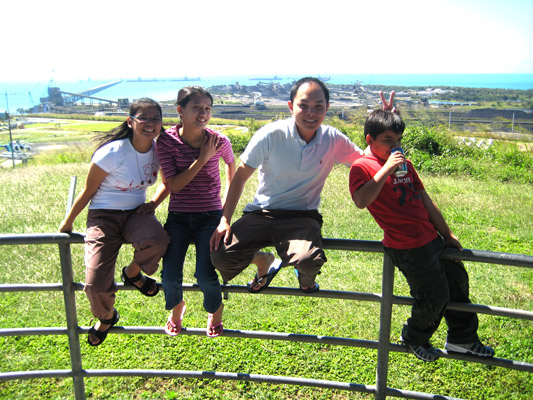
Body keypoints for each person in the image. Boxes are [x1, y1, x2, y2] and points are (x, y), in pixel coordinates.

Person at [210, 77, 390, 294]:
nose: (311, 113)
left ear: (327, 108)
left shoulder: (331, 138)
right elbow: (240, 177)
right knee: (221, 255)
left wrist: (386, 124)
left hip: (302, 216)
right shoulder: (270, 135)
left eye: (318, 107)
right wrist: (225, 219)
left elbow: (363, 158)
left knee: (308, 261)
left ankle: (305, 279)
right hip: (262, 213)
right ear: (290, 106)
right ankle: (263, 262)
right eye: (303, 106)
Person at [349, 109, 495, 362]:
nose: (395, 147)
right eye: (388, 141)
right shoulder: (362, 166)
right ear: (369, 139)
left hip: (431, 238)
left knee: (457, 285)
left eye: (398, 141)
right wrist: (386, 169)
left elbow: (425, 200)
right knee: (433, 296)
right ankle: (414, 337)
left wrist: (447, 233)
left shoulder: (405, 164)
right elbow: (361, 200)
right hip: (406, 246)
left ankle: (463, 338)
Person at [59, 98, 170, 346]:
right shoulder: (113, 152)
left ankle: (133, 274)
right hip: (103, 215)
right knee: (95, 284)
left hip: (136, 214)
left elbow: (168, 181)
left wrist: (153, 203)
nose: (150, 124)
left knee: (158, 239)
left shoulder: (161, 150)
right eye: (144, 118)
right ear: (130, 122)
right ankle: (107, 316)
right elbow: (88, 191)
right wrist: (68, 223)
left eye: (156, 119)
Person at [157, 86, 236, 338]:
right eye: (197, 108)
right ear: (180, 110)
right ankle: (176, 305)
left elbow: (231, 165)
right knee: (169, 276)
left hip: (210, 216)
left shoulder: (219, 140)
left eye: (207, 109)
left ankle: (215, 308)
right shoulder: (167, 141)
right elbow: (175, 185)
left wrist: (226, 206)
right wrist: (202, 158)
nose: (203, 114)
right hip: (178, 216)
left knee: (205, 274)